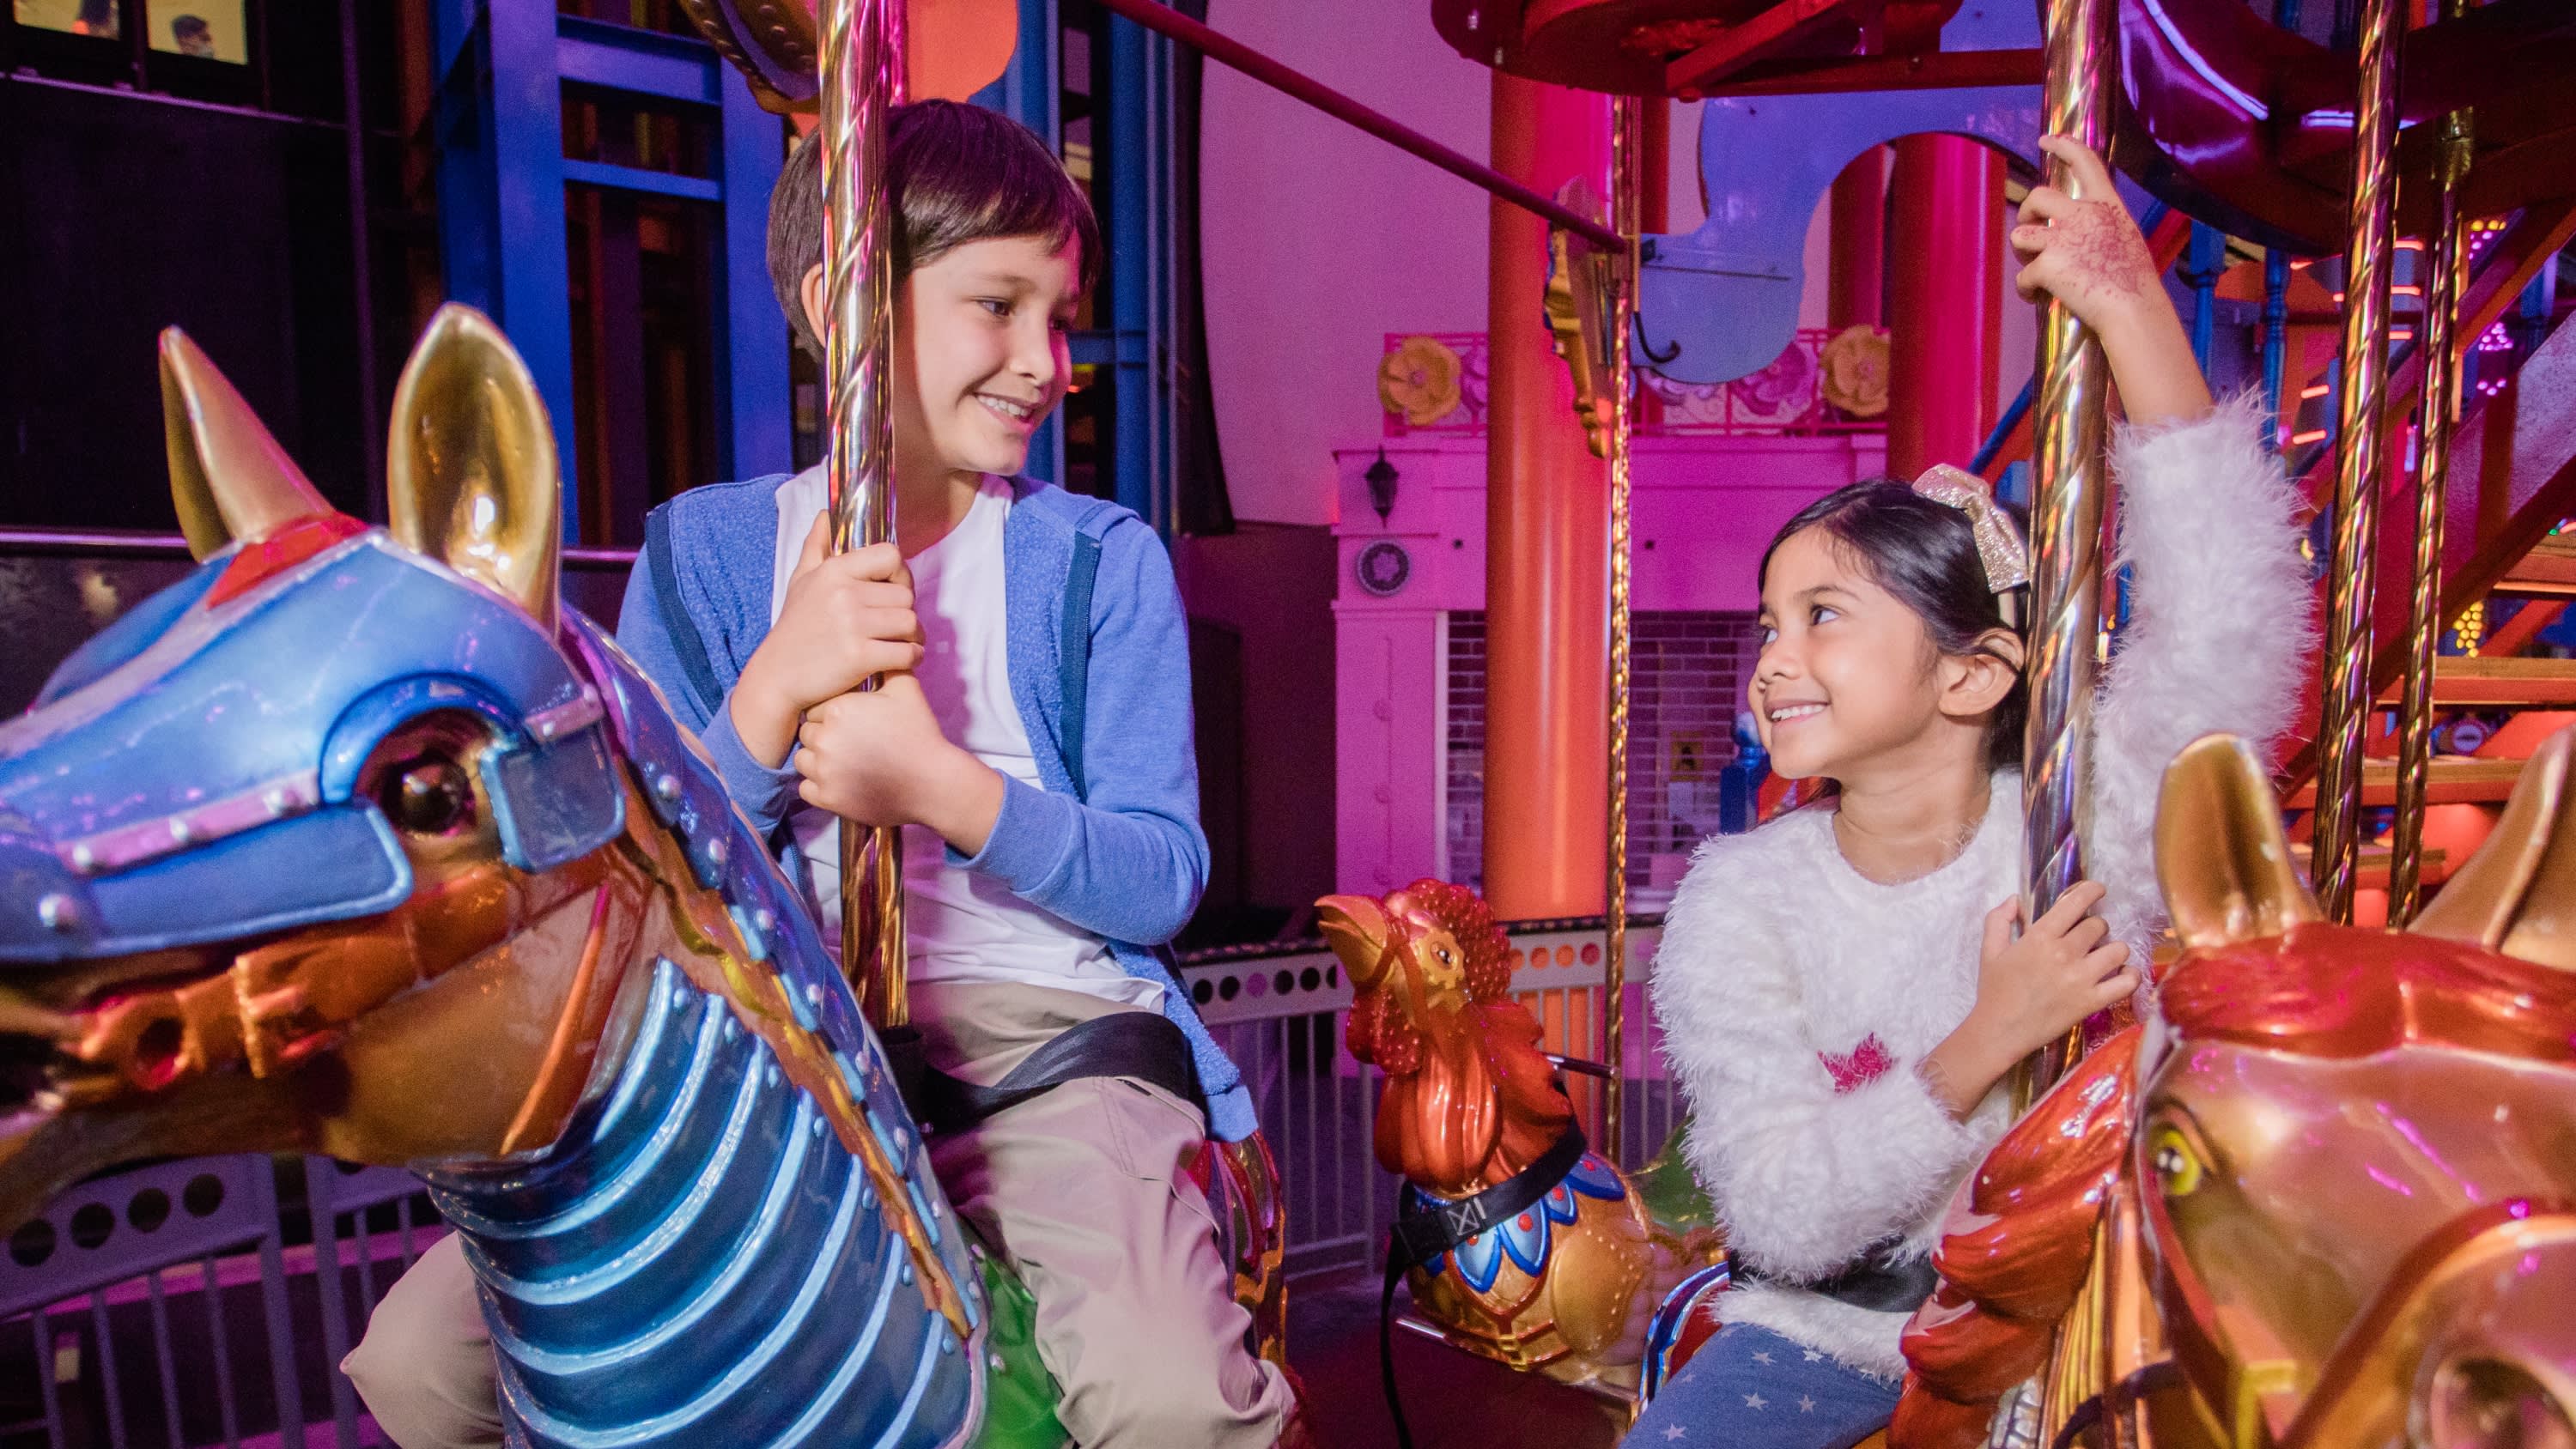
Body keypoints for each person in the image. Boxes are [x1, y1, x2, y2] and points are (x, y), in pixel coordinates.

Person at [345, 103, 1295, 1448]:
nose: (1046, 363)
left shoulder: (1098, 561)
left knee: (1172, 1403)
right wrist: (769, 694)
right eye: (999, 307)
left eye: (1062, 319)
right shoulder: (705, 555)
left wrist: (939, 787)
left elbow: (1161, 880)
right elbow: (627, 872)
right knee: (419, 1367)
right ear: (841, 312)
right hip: (774, 1040)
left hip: (1049, 1045)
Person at [1629, 136, 2312, 1447]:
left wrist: (2131, 315)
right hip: (1848, 1337)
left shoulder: (2077, 825)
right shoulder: (1745, 899)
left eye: (1824, 616)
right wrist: (1987, 1040)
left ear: (1975, 672)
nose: (1774, 660)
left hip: (2091, 1319)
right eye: (1770, 623)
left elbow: (2226, 622)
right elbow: (1776, 1211)